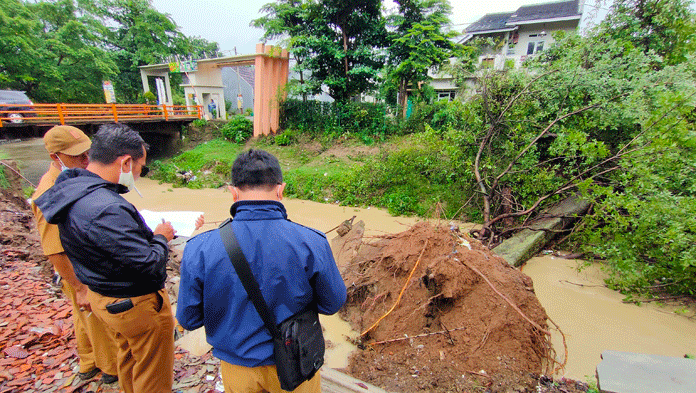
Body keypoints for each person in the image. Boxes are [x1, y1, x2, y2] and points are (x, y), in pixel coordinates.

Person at [176, 149, 347, 393]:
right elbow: (333, 304)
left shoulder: (199, 248)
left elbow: (189, 319)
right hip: (298, 364)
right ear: (281, 190)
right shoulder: (312, 242)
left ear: (232, 192)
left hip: (238, 369)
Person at [35, 123, 176, 393]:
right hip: (134, 303)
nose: (138, 174)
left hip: (104, 296)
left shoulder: (72, 189)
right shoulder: (106, 208)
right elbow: (149, 263)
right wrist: (161, 237)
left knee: (128, 356)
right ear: (125, 162)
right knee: (152, 371)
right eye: (139, 168)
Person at [30, 125, 119, 384]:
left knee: (84, 318)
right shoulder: (49, 194)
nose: (85, 159)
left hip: (81, 267)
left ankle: (88, 361)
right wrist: (79, 286)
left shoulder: (67, 181)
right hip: (78, 271)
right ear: (55, 157)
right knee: (97, 320)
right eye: (77, 156)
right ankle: (112, 370)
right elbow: (54, 249)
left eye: (86, 153)